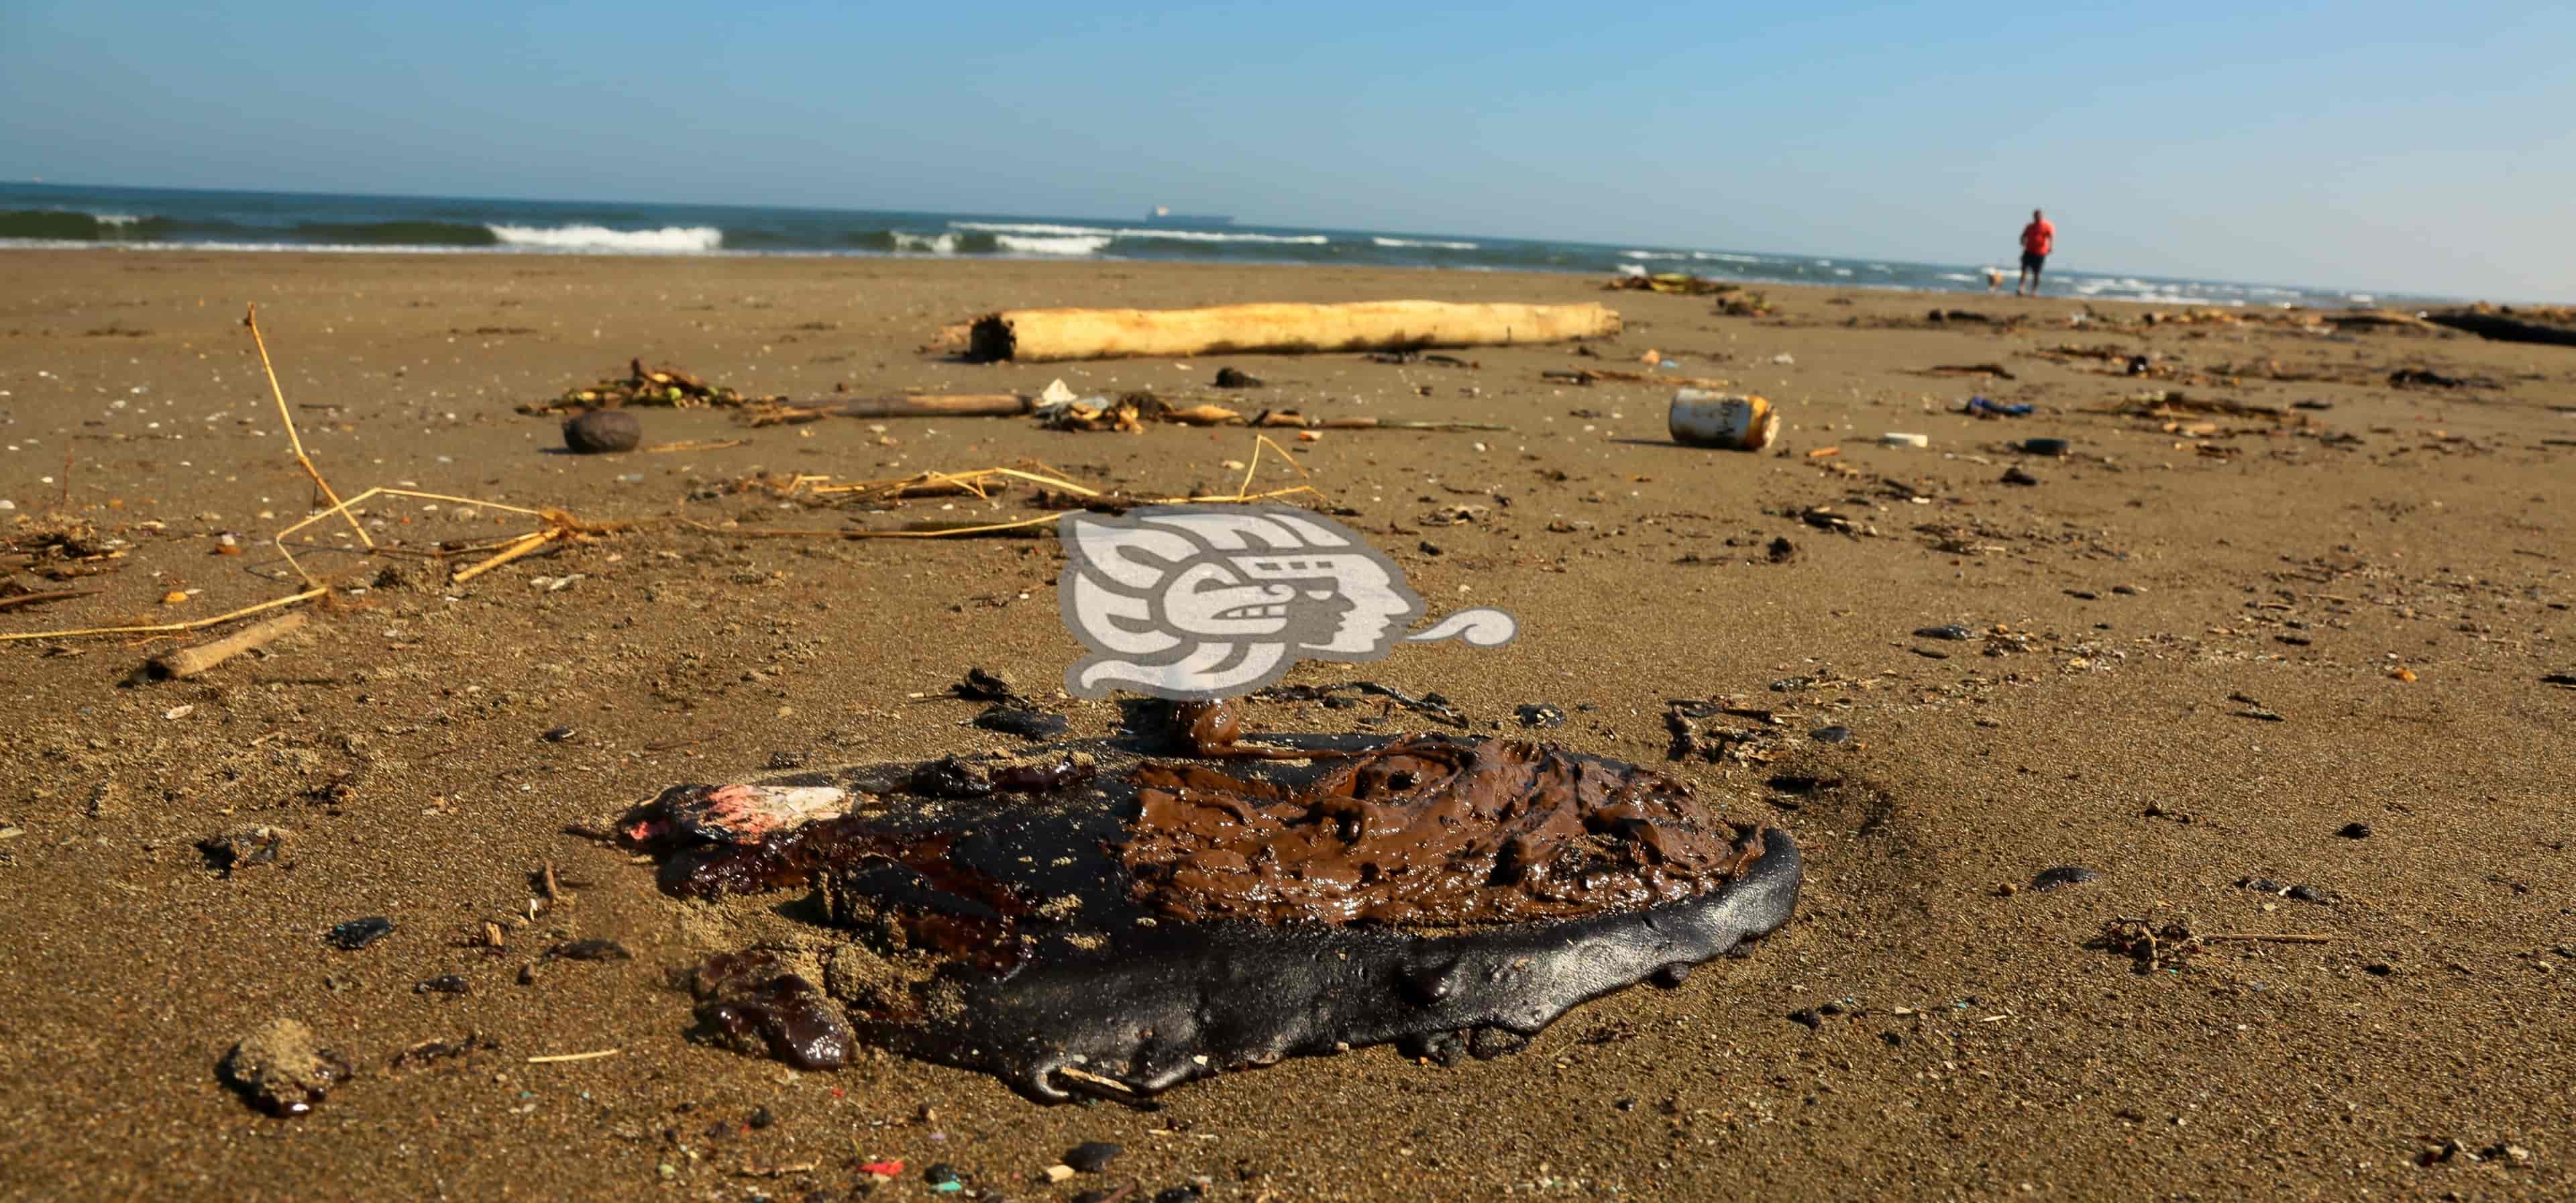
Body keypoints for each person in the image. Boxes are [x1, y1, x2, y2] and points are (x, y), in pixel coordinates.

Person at [2016, 209, 2055, 297]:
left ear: (2042, 216)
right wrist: (2022, 241)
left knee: (2037, 272)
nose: (2037, 218)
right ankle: (2021, 288)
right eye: (2036, 216)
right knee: (2024, 270)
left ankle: (2034, 291)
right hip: (2029, 250)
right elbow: (2023, 235)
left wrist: (2050, 247)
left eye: (2039, 216)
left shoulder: (2047, 226)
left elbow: (2051, 237)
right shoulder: (2030, 226)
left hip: (2040, 252)